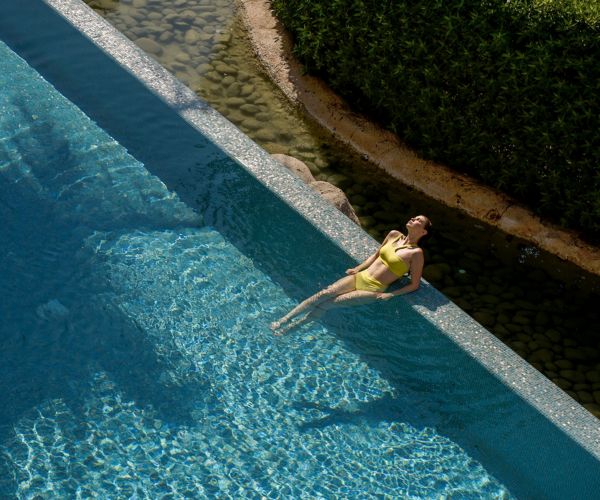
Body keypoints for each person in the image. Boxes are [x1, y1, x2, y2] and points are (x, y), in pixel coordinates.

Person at [271, 215, 431, 335]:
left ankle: (292, 328)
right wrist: (357, 268)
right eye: (414, 217)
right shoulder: (394, 235)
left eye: (418, 220)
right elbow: (375, 255)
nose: (413, 219)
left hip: (373, 288)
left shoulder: (416, 253)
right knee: (323, 293)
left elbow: (414, 284)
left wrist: (390, 294)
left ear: (423, 232)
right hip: (361, 276)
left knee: (328, 303)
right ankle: (284, 319)